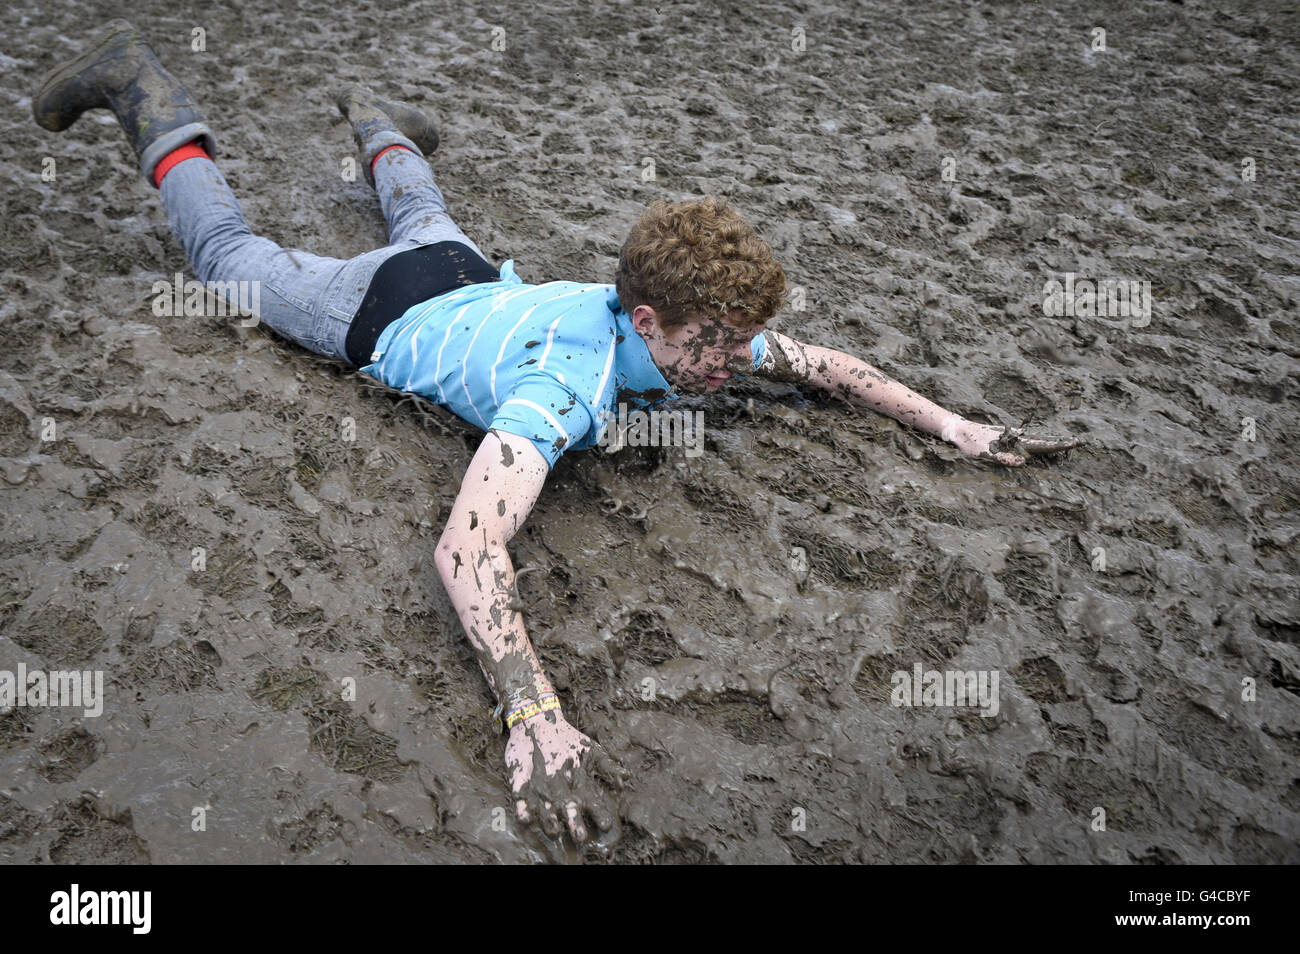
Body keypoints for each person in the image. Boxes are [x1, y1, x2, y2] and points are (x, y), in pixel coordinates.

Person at [32, 19, 1083, 845]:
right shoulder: (566, 387)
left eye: (737, 344)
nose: (732, 365)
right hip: (379, 310)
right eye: (715, 346)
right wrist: (532, 715)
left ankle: (379, 117)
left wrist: (955, 427)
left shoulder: (685, 330)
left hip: (471, 280)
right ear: (647, 319)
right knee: (228, 256)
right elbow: (465, 546)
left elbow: (826, 367)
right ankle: (145, 89)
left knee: (426, 219)